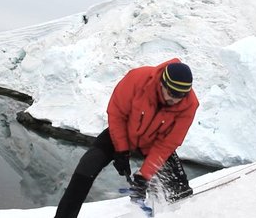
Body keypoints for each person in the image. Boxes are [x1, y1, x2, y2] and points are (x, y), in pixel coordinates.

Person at [54, 58, 199, 218]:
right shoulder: (138, 79)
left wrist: (144, 176)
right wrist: (121, 150)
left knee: (179, 189)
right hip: (124, 132)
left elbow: (167, 144)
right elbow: (116, 114)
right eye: (171, 93)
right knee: (86, 168)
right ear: (162, 83)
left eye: (181, 95)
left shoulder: (189, 105)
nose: (174, 100)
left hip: (153, 143)